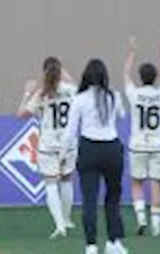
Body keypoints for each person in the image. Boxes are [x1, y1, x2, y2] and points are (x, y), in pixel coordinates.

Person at [63, 58, 128, 254]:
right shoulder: (113, 96)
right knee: (113, 197)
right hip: (111, 148)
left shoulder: (79, 99)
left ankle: (91, 245)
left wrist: (63, 154)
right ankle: (113, 241)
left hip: (89, 148)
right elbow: (122, 115)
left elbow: (70, 131)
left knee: (89, 199)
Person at [19, 57, 78, 239]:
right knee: (67, 179)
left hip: (48, 144)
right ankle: (67, 219)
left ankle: (60, 225)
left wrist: (27, 93)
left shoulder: (41, 94)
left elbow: (21, 114)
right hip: (67, 143)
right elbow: (79, 91)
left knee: (51, 183)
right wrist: (69, 77)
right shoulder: (70, 90)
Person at [124, 36, 160, 237]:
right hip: (158, 144)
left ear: (141, 77)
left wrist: (132, 51)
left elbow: (125, 73)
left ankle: (141, 218)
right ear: (154, 78)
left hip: (138, 144)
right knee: (156, 184)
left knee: (136, 182)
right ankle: (156, 225)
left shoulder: (134, 94)